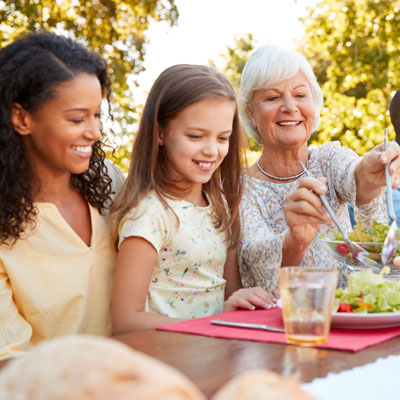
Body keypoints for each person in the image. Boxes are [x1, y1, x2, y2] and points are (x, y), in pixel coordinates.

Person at [108, 64, 276, 333]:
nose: (212, 150)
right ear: (160, 133)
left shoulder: (218, 206)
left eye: (223, 138)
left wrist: (238, 305)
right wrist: (209, 325)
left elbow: (225, 300)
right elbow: (126, 320)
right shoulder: (149, 214)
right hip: (168, 360)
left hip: (214, 353)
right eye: (196, 136)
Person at [0, 31, 124, 359]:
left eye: (97, 115)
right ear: (21, 118)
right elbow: (10, 360)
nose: (95, 132)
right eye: (77, 118)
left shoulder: (110, 183)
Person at [237, 45, 400, 291]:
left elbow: (355, 176)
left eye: (300, 95)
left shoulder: (329, 158)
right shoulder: (239, 188)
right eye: (273, 97)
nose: (290, 106)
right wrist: (295, 241)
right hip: (283, 321)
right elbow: (256, 263)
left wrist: (370, 173)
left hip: (353, 315)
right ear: (250, 113)